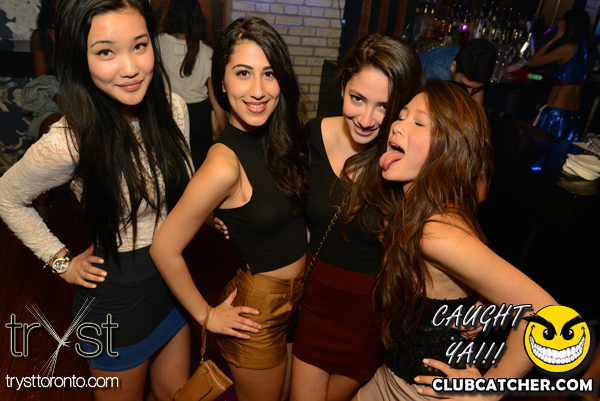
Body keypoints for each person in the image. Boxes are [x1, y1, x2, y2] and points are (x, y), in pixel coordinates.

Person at [0, 0, 195, 399]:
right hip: (115, 302)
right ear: (80, 58)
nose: (130, 67)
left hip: (173, 286)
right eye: (106, 52)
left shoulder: (174, 109)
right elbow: (7, 197)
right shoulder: (70, 142)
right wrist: (61, 262)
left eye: (139, 45)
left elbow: (181, 197)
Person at [354, 79, 556, 400]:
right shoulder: (438, 205)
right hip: (389, 378)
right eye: (402, 116)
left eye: (419, 122)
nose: (397, 125)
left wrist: (488, 391)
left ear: (446, 148)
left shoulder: (434, 233)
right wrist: (481, 301)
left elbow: (547, 315)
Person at [150, 17, 309, 401]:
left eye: (269, 74)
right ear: (221, 83)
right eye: (243, 73)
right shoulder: (223, 163)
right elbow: (164, 248)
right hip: (258, 313)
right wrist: (206, 314)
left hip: (295, 299)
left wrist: (213, 218)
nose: (258, 90)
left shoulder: (276, 141)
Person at [287, 33, 422, 401]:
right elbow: (288, 206)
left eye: (384, 106)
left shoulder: (406, 159)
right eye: (357, 98)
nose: (365, 119)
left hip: (369, 317)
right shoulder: (313, 136)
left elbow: (445, 225)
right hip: (314, 305)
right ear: (343, 85)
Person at [158, 0, 226, 166]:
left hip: (167, 113)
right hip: (198, 118)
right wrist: (225, 130)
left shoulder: (156, 44)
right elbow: (215, 96)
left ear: (172, 15)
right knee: (195, 169)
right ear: (197, 18)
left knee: (170, 167)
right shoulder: (207, 51)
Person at [528, 9, 592, 168]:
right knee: (558, 161)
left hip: (555, 114)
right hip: (573, 117)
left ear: (567, 25)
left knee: (536, 158)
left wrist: (554, 39)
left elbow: (532, 62)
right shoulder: (588, 50)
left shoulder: (568, 48)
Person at [419, 38, 496, 105]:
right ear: (453, 67)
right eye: (464, 85)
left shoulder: (469, 55)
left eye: (476, 89)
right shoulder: (438, 76)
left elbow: (476, 110)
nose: (469, 93)